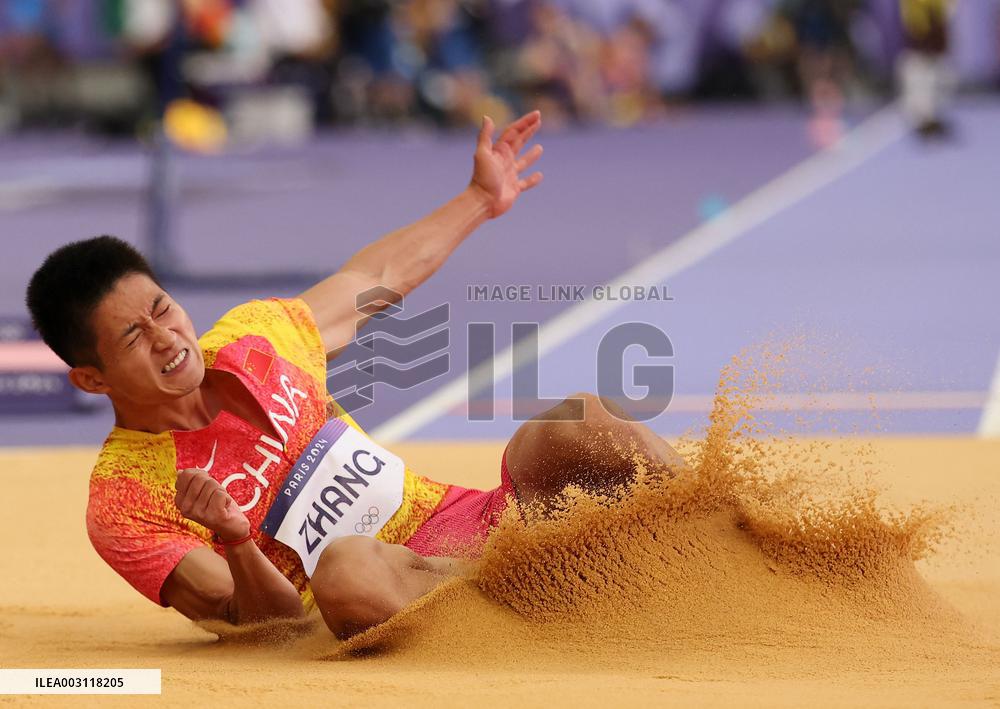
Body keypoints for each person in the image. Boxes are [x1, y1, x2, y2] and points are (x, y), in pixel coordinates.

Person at [26, 111, 686, 639]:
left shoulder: (256, 339)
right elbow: (261, 624)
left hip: (485, 524)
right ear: (92, 379)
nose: (167, 338)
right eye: (133, 337)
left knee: (577, 419)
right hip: (401, 589)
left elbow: (374, 277)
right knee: (344, 565)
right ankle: (545, 592)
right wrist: (235, 539)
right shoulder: (125, 502)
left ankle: (720, 531)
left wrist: (480, 199)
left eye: (163, 309)